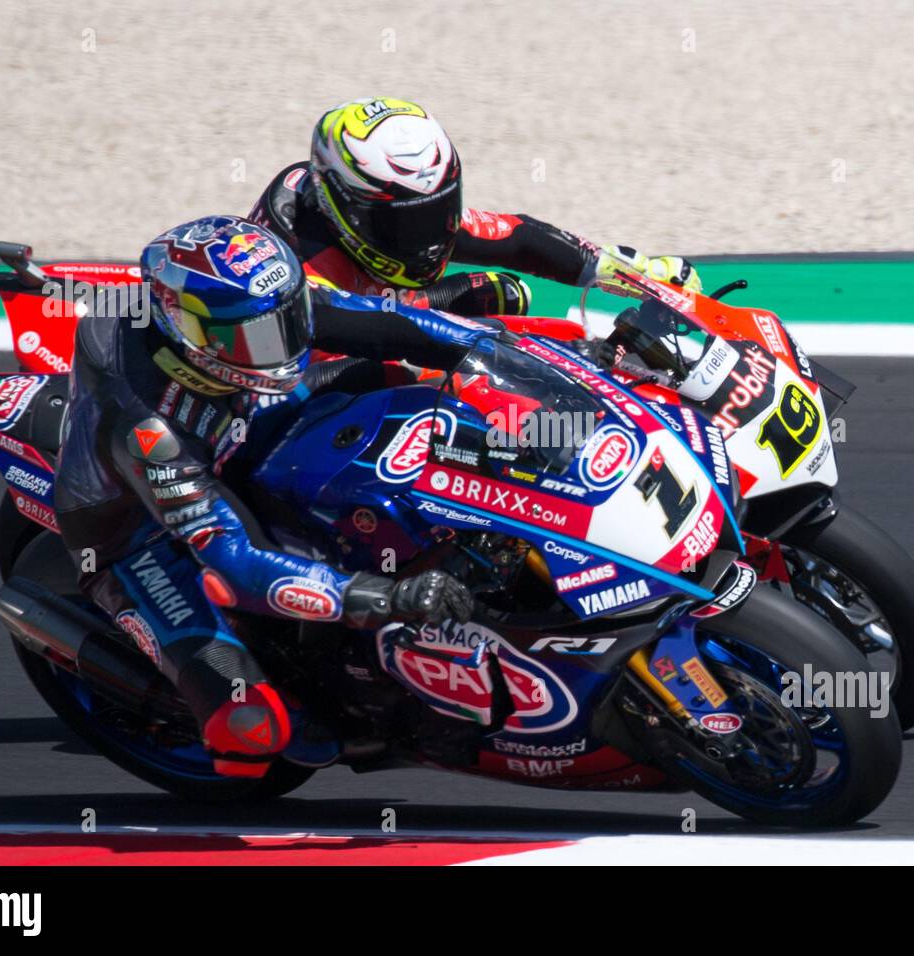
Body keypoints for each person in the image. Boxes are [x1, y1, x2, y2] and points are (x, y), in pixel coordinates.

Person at [53, 214, 491, 778]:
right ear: (188, 332)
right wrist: (385, 596)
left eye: (289, 319)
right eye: (260, 335)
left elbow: (392, 323)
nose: (283, 341)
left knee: (406, 378)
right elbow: (234, 564)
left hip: (242, 426)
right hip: (140, 534)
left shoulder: (255, 320)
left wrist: (506, 354)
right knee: (251, 733)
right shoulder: (147, 428)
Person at [249, 97, 702, 320]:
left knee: (506, 293)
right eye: (402, 224)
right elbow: (370, 345)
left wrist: (628, 271)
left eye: (436, 211)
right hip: (314, 379)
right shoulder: (297, 266)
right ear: (340, 209)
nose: (426, 238)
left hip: (384, 312)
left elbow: (516, 237)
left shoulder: (378, 201)